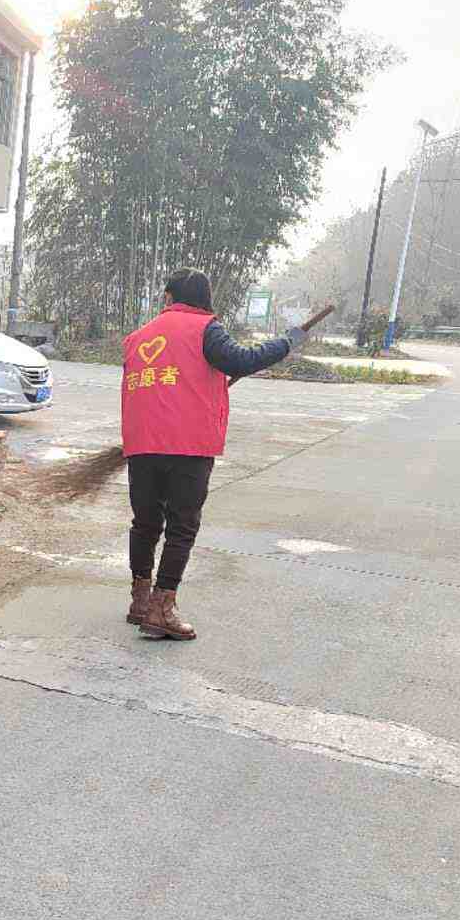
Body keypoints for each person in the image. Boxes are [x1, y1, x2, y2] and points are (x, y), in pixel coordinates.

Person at [122, 267, 302, 641]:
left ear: (169, 297)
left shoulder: (138, 337)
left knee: (146, 523)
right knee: (182, 525)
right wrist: (286, 342)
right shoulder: (205, 329)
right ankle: (161, 608)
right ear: (205, 299)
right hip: (187, 445)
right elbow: (241, 360)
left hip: (141, 442)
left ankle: (140, 600)